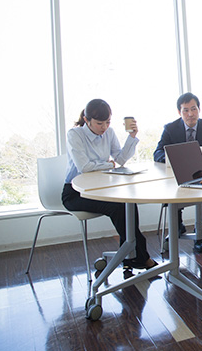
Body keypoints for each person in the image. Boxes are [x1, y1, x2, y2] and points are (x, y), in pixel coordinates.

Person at [62, 99, 156, 278]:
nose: (104, 127)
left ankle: (132, 255)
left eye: (107, 122)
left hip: (102, 189)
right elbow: (84, 167)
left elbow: (119, 160)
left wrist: (132, 137)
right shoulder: (75, 134)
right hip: (75, 193)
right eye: (99, 123)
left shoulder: (109, 132)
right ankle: (139, 256)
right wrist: (108, 164)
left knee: (128, 204)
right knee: (118, 207)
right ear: (86, 119)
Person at [153, 92, 202, 254]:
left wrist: (197, 159)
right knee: (172, 193)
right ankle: (177, 227)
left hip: (201, 174)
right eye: (185, 110)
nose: (190, 114)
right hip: (177, 176)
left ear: (199, 109)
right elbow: (157, 154)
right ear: (179, 112)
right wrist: (176, 160)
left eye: (193, 109)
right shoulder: (170, 129)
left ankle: (199, 234)